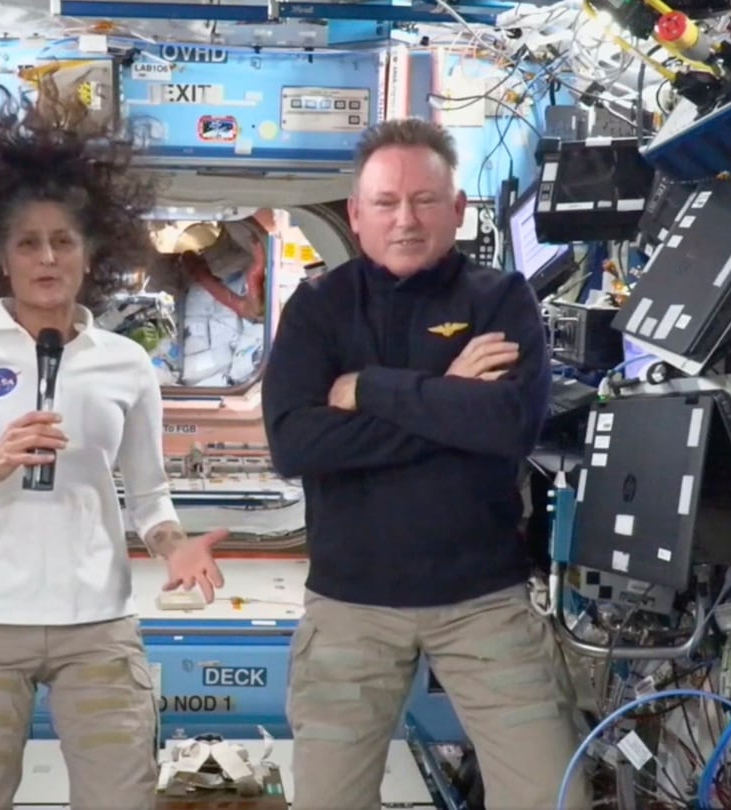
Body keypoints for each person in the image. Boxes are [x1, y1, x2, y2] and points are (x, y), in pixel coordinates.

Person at [0, 88, 228, 810]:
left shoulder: (127, 364)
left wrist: (174, 546)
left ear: (91, 252)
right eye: (28, 242)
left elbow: (149, 494)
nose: (47, 257)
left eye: (63, 240)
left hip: (97, 625)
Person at [261, 117, 588, 810]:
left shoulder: (499, 298)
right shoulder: (319, 308)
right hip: (351, 604)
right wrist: (449, 402)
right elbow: (296, 444)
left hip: (484, 604)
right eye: (385, 203)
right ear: (355, 214)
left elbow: (507, 425)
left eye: (424, 201)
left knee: (551, 797)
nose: (404, 220)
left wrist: (370, 389)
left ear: (458, 209)